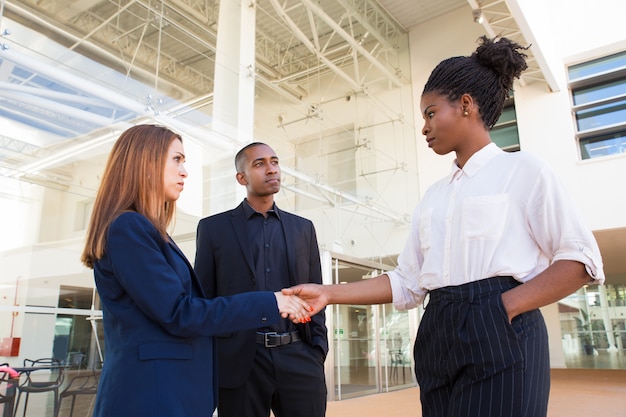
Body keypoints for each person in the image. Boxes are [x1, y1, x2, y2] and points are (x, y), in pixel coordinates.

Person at [284, 36, 605, 417]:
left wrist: (502, 307)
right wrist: (328, 293)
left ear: (466, 105)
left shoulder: (524, 171)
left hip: (502, 324)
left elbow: (580, 260)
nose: (424, 127)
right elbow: (408, 281)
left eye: (431, 113)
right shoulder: (433, 197)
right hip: (439, 328)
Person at [80, 125, 311, 417]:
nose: (185, 171)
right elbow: (180, 313)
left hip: (165, 392)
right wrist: (272, 301)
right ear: (145, 163)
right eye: (176, 159)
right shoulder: (130, 227)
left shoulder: (147, 230)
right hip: (150, 396)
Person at [194, 142, 328, 417]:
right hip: (240, 360)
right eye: (260, 164)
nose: (271, 169)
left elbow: (317, 289)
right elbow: (204, 299)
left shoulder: (303, 228)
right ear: (241, 178)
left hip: (299, 355)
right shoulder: (213, 229)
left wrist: (317, 349)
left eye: (275, 162)